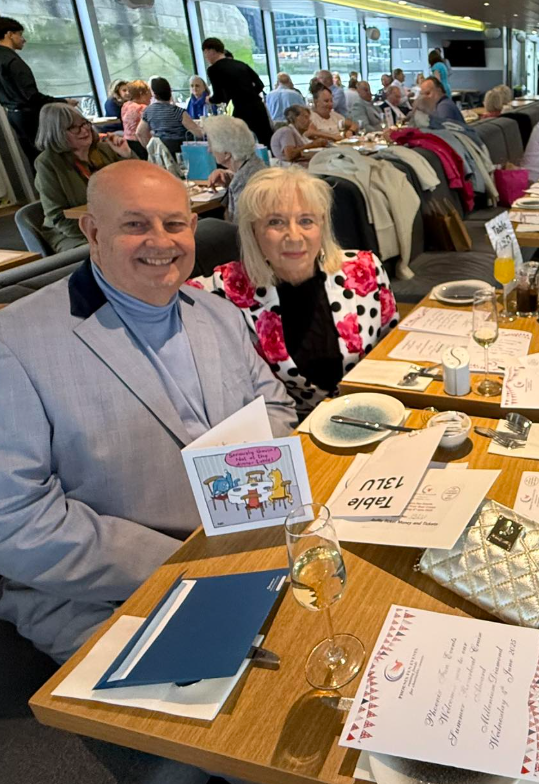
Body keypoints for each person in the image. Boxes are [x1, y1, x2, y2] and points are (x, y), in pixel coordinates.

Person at [0, 159, 296, 662]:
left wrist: (244, 504)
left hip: (247, 544)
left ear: (193, 227)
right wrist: (189, 563)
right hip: (108, 595)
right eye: (135, 224)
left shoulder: (218, 313)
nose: (161, 242)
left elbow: (274, 405)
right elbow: (18, 522)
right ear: (93, 232)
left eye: (174, 224)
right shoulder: (15, 343)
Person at [195, 167, 397, 413]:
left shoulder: (365, 269)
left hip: (372, 408)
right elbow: (167, 295)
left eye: (306, 221)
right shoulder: (226, 289)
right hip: (290, 424)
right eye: (275, 222)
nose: (294, 236)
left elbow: (392, 349)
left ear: (322, 225)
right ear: (253, 231)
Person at [33, 104, 133, 251]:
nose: (84, 130)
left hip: (115, 223)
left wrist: (126, 155)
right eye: (74, 128)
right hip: (72, 233)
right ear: (57, 133)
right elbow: (58, 217)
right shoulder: (48, 163)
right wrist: (100, 233)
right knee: (111, 250)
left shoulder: (104, 149)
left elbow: (138, 187)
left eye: (84, 123)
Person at [0, 16, 74, 166]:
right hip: (29, 116)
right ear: (9, 34)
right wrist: (63, 102)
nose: (23, 39)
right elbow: (32, 97)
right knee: (50, 158)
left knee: (36, 160)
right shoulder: (12, 61)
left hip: (14, 116)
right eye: (20, 34)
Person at [202, 36, 273, 146]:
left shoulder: (214, 69)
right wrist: (249, 93)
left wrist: (209, 100)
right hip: (258, 107)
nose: (205, 57)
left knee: (242, 144)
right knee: (266, 141)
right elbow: (260, 85)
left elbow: (219, 96)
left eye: (205, 53)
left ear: (211, 51)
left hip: (241, 109)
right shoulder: (241, 64)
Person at [202, 115, 266, 222]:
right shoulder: (253, 167)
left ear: (226, 153)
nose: (209, 150)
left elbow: (238, 226)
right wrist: (230, 180)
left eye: (210, 144)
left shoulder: (246, 182)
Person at [137, 77, 203, 156]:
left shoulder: (148, 111)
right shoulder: (178, 111)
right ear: (169, 91)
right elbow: (198, 133)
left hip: (162, 156)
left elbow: (139, 133)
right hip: (184, 154)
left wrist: (153, 152)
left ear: (154, 93)